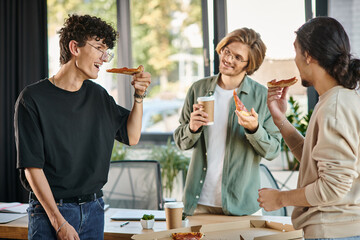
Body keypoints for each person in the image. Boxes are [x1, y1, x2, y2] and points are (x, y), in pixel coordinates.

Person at [14, 14, 151, 240]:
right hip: (51, 213)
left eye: (106, 51)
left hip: (94, 209)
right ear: (74, 48)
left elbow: (132, 136)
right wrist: (59, 223)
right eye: (99, 48)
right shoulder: (32, 99)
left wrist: (139, 96)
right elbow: (32, 168)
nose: (104, 58)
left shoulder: (99, 96)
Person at [258, 16, 360, 239]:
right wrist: (281, 121)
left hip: (333, 230)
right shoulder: (340, 100)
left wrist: (280, 198)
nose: (294, 59)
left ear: (308, 55)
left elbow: (333, 186)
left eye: (296, 51)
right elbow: (314, 160)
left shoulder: (334, 107)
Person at [173, 28, 281, 216]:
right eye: (227, 51)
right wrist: (192, 128)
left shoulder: (262, 97)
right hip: (199, 203)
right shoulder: (198, 89)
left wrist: (255, 129)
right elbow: (181, 143)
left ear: (249, 65)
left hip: (241, 205)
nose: (228, 59)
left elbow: (273, 151)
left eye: (238, 57)